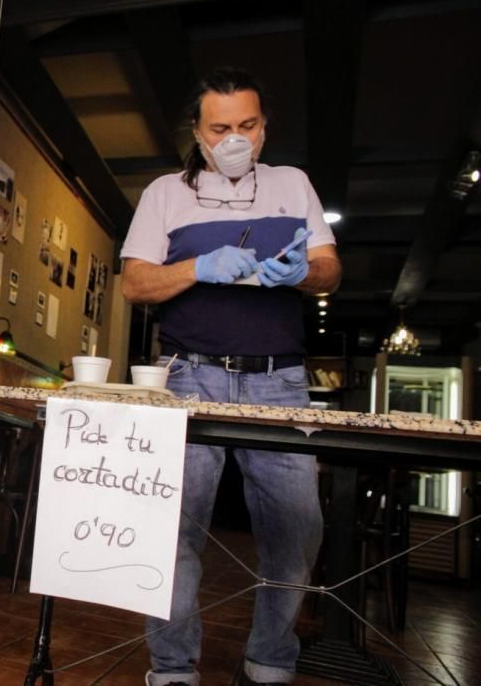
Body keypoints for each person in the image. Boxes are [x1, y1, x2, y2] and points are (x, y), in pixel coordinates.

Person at [120, 67, 342, 686]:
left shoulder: (293, 184)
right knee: (172, 528)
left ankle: (271, 659)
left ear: (264, 128)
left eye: (247, 125)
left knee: (296, 531)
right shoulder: (165, 192)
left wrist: (301, 272)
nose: (234, 138)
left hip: (281, 379)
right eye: (220, 128)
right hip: (189, 375)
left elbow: (330, 270)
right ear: (198, 132)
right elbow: (135, 282)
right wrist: (199, 266)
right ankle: (171, 666)